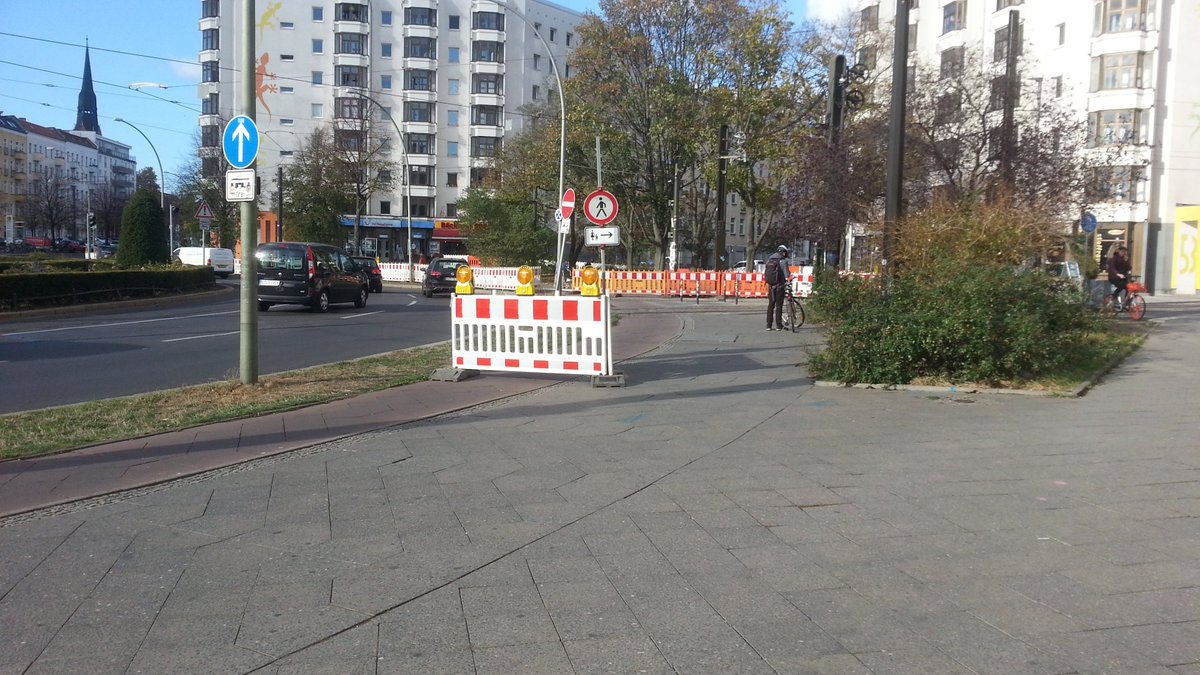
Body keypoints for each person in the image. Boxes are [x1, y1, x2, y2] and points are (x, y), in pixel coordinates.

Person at [765, 244, 791, 330]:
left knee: (770, 305)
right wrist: (788, 280)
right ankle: (778, 325)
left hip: (771, 286)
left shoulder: (770, 259)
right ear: (784, 252)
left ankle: (768, 325)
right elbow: (786, 275)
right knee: (779, 306)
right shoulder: (783, 261)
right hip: (779, 286)